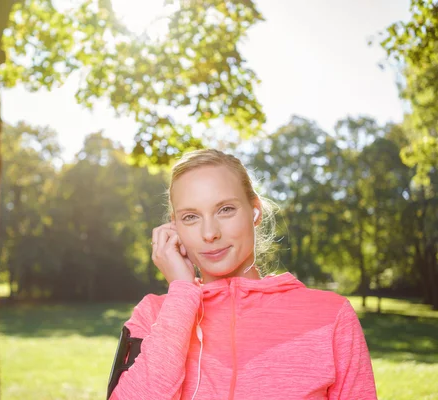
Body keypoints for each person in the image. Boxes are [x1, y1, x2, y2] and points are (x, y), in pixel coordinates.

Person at [107, 149, 377, 400]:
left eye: (225, 209)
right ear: (173, 227)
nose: (209, 233)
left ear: (255, 211)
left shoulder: (331, 315)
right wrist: (181, 293)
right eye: (191, 217)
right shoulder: (154, 313)